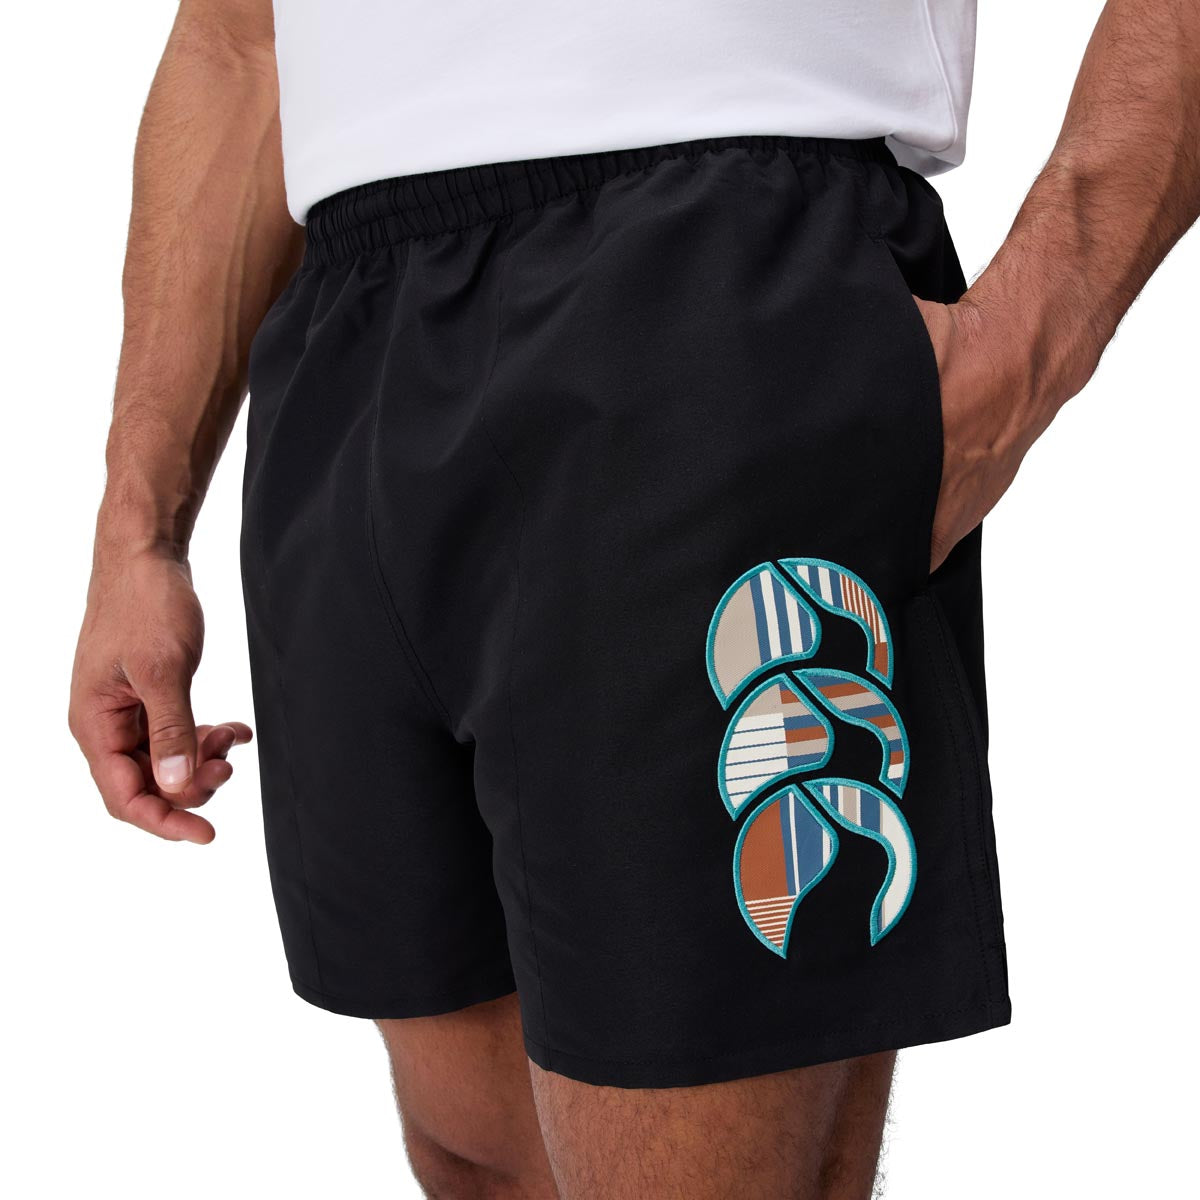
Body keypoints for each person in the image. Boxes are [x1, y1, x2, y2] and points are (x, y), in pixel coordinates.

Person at [68, 1, 1199, 1195]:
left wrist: (1028, 342)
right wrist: (137, 530)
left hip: (710, 284)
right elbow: (238, 41)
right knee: (476, 1158)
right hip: (346, 332)